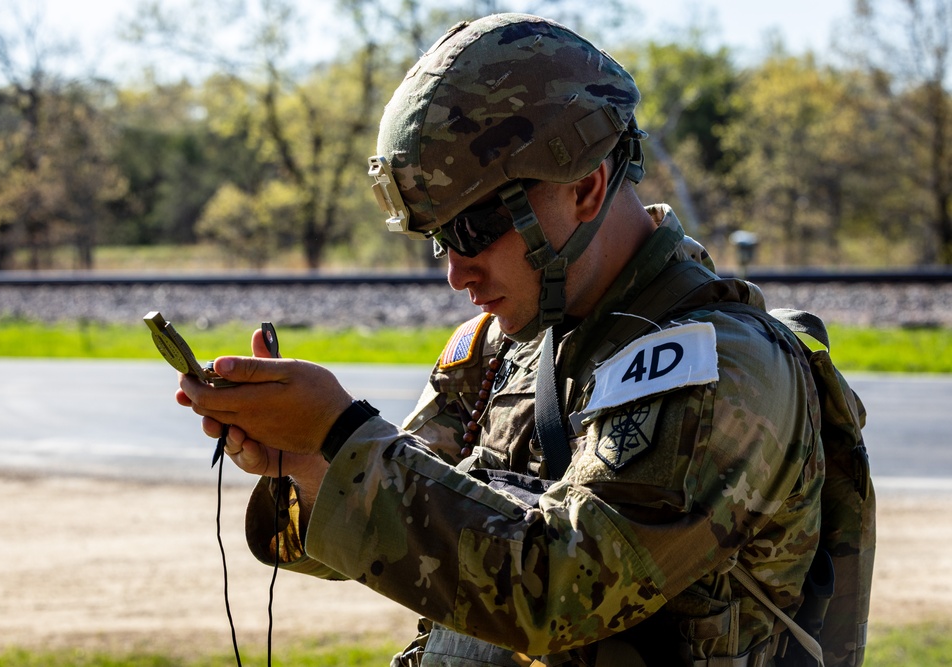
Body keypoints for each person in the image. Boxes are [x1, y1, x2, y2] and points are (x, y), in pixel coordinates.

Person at [176, 13, 824, 667]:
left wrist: (341, 432)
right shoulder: (496, 349)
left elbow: (560, 594)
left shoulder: (714, 367)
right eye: (438, 239)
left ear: (585, 186)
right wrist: (307, 459)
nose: (455, 272)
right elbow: (423, 525)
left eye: (473, 229)